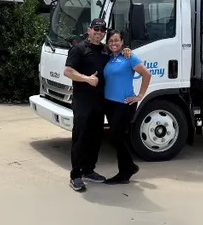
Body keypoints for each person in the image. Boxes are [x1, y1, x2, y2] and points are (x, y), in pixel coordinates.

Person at [62, 18, 130, 192]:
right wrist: (86, 79)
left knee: (95, 137)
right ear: (89, 30)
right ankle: (75, 175)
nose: (99, 33)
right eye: (96, 29)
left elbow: (118, 53)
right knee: (81, 136)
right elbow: (68, 71)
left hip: (100, 101)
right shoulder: (79, 49)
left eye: (102, 30)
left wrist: (127, 49)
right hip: (83, 100)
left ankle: (88, 170)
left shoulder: (105, 50)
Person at [101, 29, 151, 184]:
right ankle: (129, 166)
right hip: (109, 103)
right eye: (111, 41)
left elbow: (147, 74)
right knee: (116, 138)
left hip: (124, 104)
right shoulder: (109, 58)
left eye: (116, 40)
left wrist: (139, 96)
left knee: (117, 137)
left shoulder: (129, 57)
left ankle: (125, 172)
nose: (114, 43)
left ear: (122, 42)